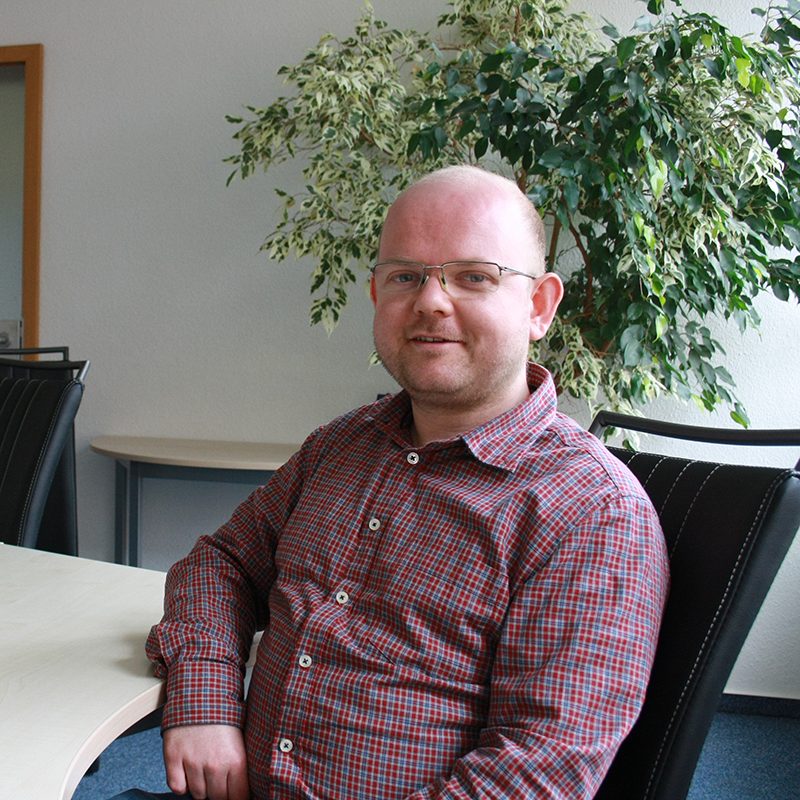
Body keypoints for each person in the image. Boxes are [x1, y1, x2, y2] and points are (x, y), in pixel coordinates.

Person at [131, 166, 669, 800]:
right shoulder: (342, 444)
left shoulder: (593, 512)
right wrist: (206, 702)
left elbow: (531, 774)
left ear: (539, 307)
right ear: (376, 295)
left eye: (474, 276)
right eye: (405, 276)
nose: (431, 301)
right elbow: (220, 563)